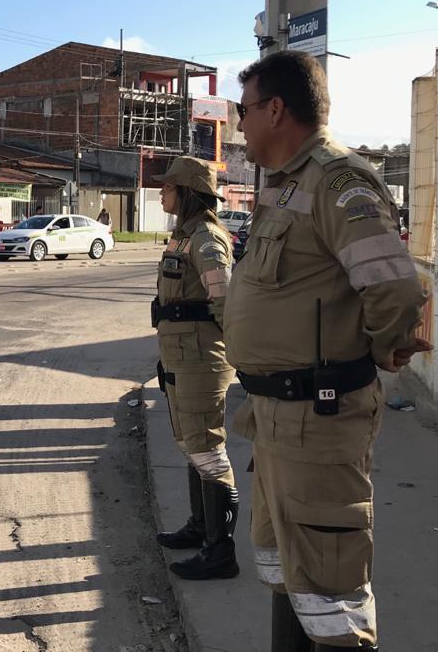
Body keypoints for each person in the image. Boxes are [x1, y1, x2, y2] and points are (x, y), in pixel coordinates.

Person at [225, 50, 429, 651]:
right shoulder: (286, 187)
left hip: (318, 418)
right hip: (276, 420)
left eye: (244, 110)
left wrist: (382, 348)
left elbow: (393, 286)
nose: (239, 124)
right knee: (291, 578)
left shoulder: (338, 181)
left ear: (276, 109)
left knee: (332, 602)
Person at [152, 156, 239, 581]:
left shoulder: (206, 239)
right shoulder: (183, 236)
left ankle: (220, 550)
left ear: (186, 192)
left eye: (167, 187)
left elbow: (225, 302)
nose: (161, 192)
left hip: (202, 362)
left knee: (207, 447)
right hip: (180, 358)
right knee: (191, 444)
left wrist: (244, 358)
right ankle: (200, 528)